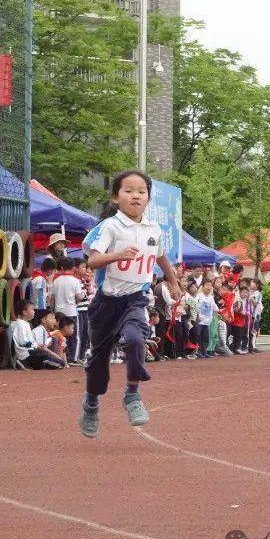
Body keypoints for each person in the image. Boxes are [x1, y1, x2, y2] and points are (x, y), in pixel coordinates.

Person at [78, 170, 181, 438]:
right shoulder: (109, 227)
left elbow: (160, 257)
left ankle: (132, 395)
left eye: (142, 192)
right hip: (106, 302)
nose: (136, 195)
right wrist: (117, 255)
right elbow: (92, 261)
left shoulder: (153, 229)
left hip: (135, 298)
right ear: (115, 197)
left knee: (136, 339)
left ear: (148, 198)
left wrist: (173, 280)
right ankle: (91, 403)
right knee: (99, 361)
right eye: (128, 190)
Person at [49, 257, 85, 364]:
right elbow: (79, 297)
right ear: (73, 267)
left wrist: (52, 311)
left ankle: (59, 357)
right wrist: (81, 296)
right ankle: (73, 358)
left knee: (59, 335)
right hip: (71, 311)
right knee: (74, 336)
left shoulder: (56, 280)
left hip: (59, 312)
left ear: (62, 267)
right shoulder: (75, 281)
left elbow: (52, 299)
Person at [11, 300, 64, 369]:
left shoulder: (25, 324)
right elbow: (23, 342)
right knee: (47, 357)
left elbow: (30, 341)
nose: (34, 312)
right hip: (26, 354)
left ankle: (31, 364)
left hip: (30, 352)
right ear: (24, 312)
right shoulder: (20, 324)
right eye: (32, 309)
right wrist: (37, 346)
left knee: (48, 359)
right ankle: (23, 362)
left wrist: (38, 346)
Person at [30, 257, 56, 325]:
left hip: (36, 308)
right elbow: (40, 296)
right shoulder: (40, 279)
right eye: (54, 270)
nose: (54, 272)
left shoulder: (38, 276)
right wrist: (43, 310)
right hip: (38, 309)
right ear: (50, 270)